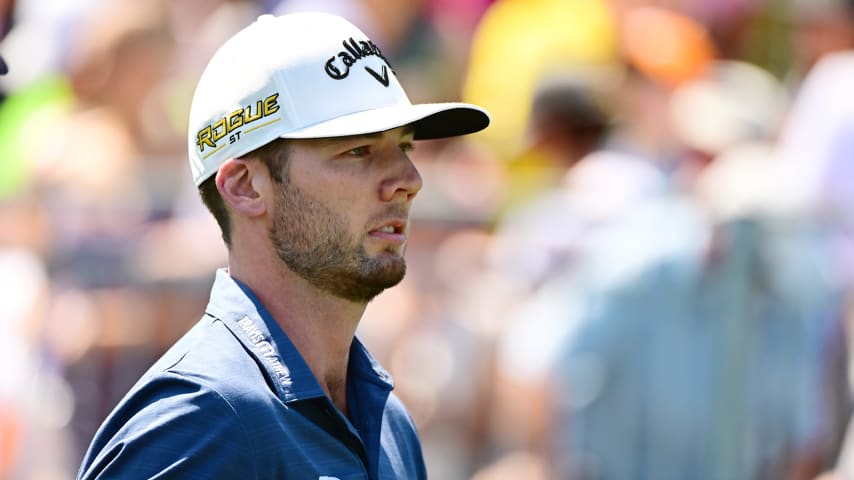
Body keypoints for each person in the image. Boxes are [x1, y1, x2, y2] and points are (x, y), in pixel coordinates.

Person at [75, 12, 489, 479]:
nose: (409, 181)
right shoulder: (197, 422)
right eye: (357, 151)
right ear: (246, 186)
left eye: (405, 148)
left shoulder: (390, 422)